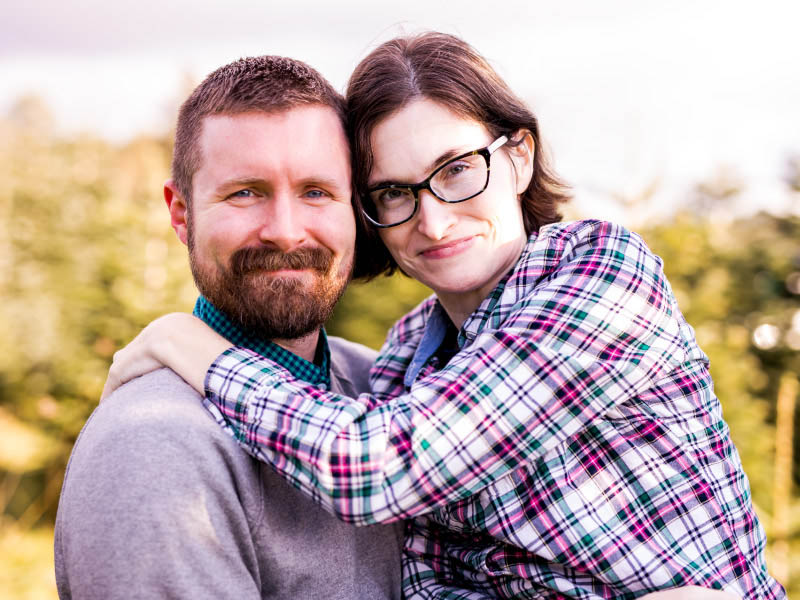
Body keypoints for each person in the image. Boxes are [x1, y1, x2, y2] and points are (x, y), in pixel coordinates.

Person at [103, 33, 783, 599]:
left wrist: (190, 346)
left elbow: (378, 468)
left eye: (457, 170)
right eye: (394, 192)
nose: (432, 220)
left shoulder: (602, 273)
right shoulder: (404, 362)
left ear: (519, 157)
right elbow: (428, 584)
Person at [54, 55, 403, 600]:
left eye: (316, 191)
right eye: (245, 192)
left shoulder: (385, 388)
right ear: (181, 213)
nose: (286, 232)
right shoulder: (153, 445)